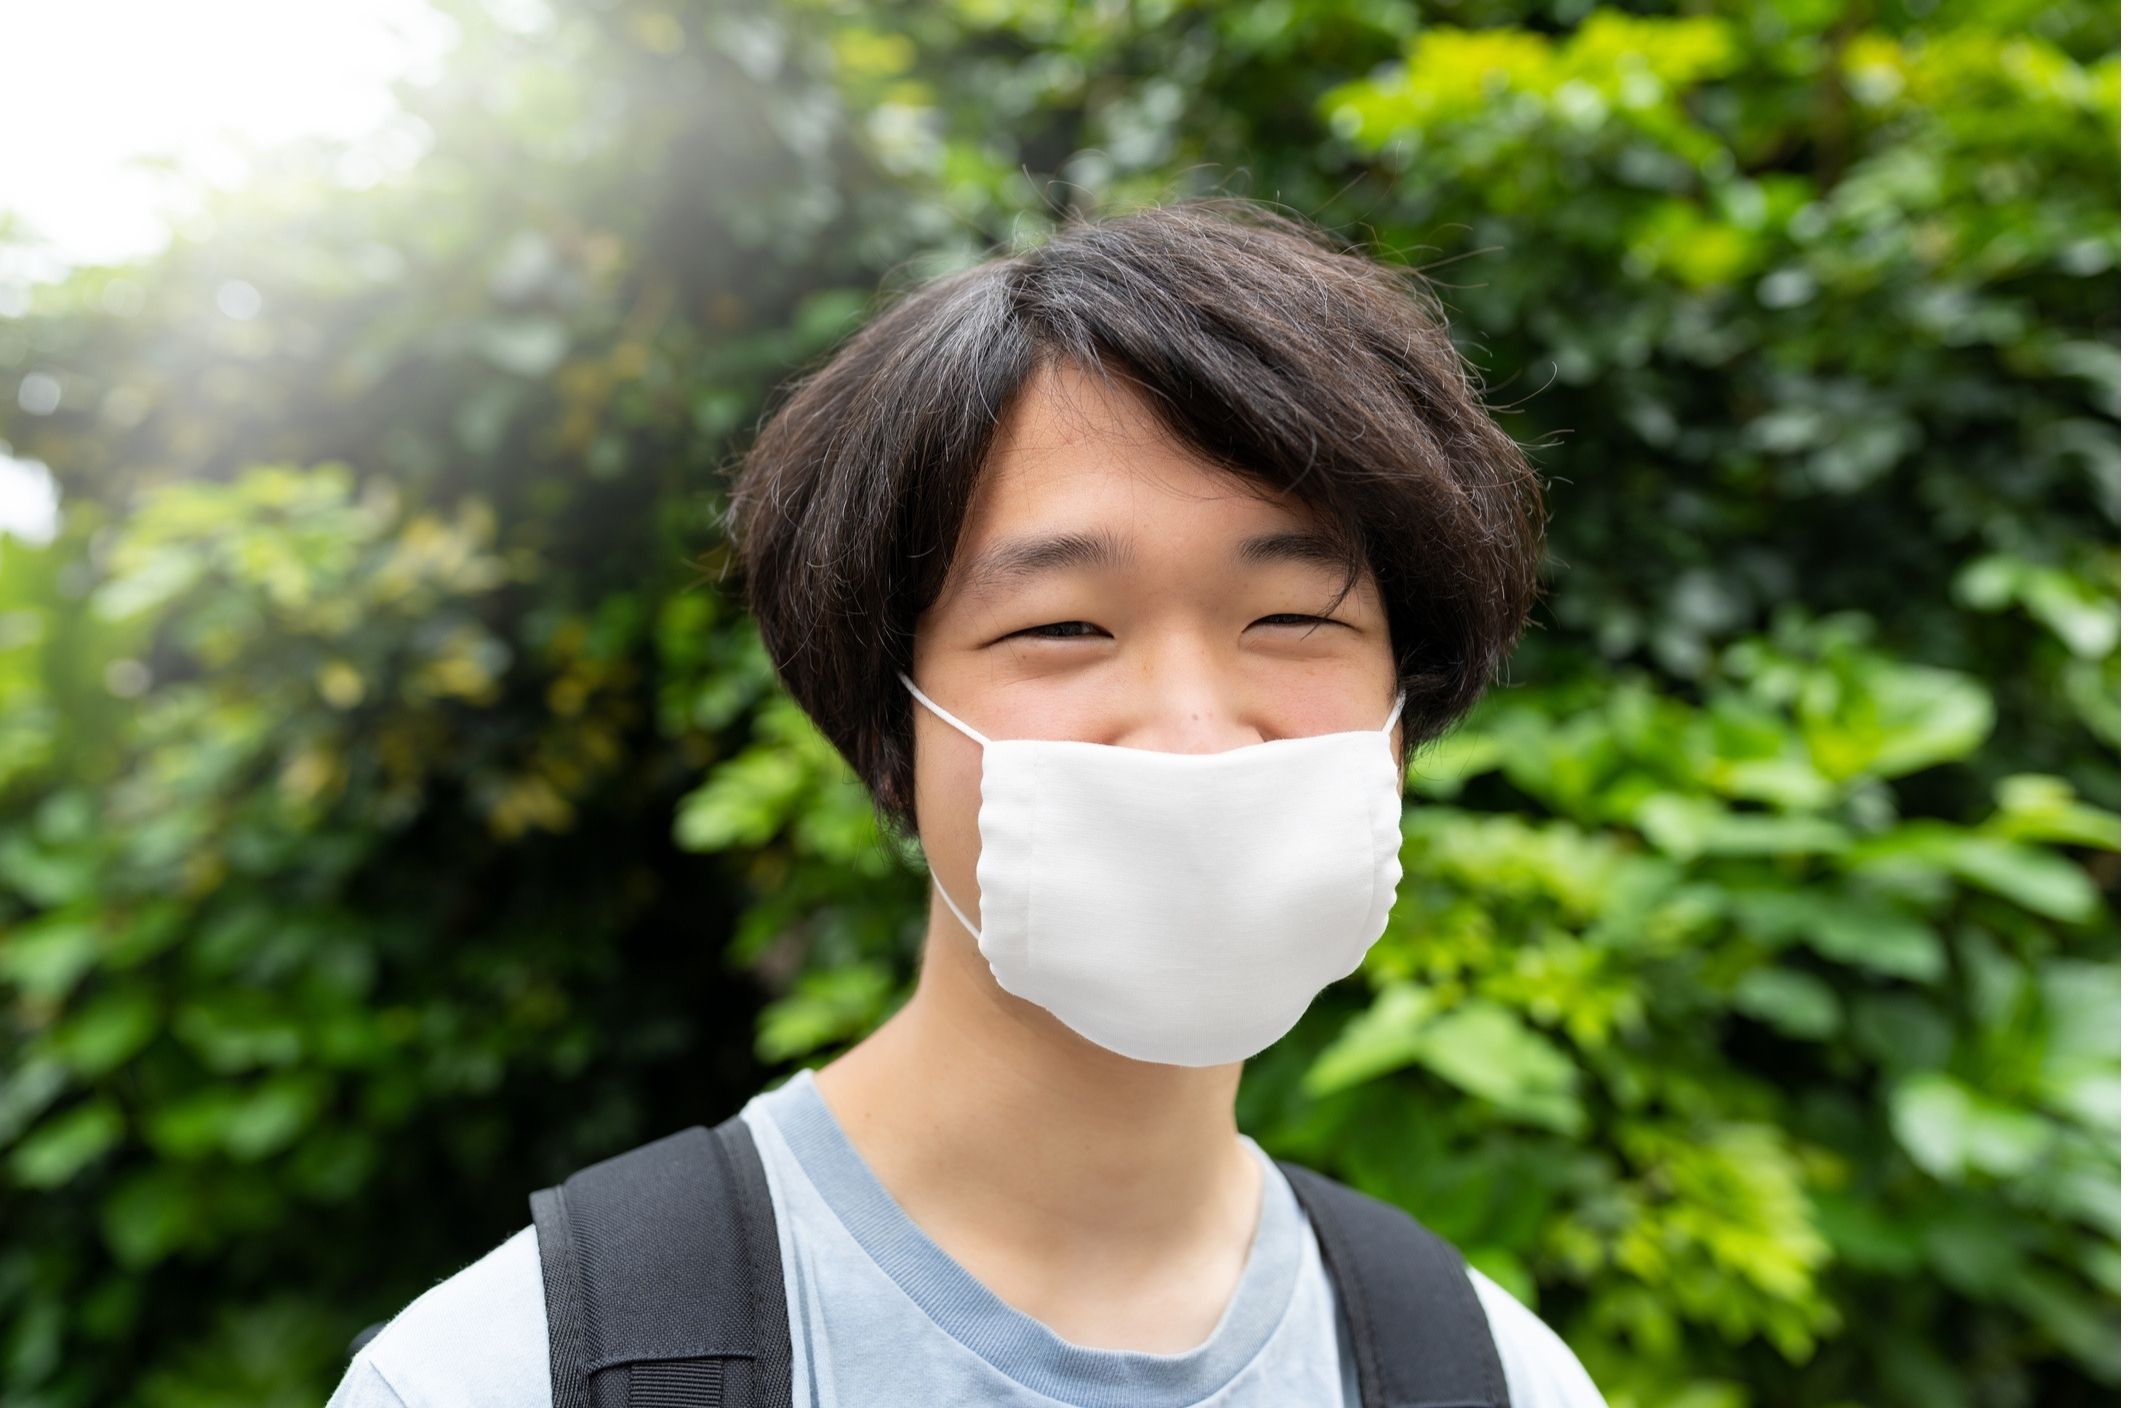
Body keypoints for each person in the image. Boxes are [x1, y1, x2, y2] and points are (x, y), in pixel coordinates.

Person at [327, 197, 1605, 1407]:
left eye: (1288, 619)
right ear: (893, 723)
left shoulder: (1496, 1376)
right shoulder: (519, 1371)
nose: (1191, 729)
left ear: (1403, 704)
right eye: (1062, 626)